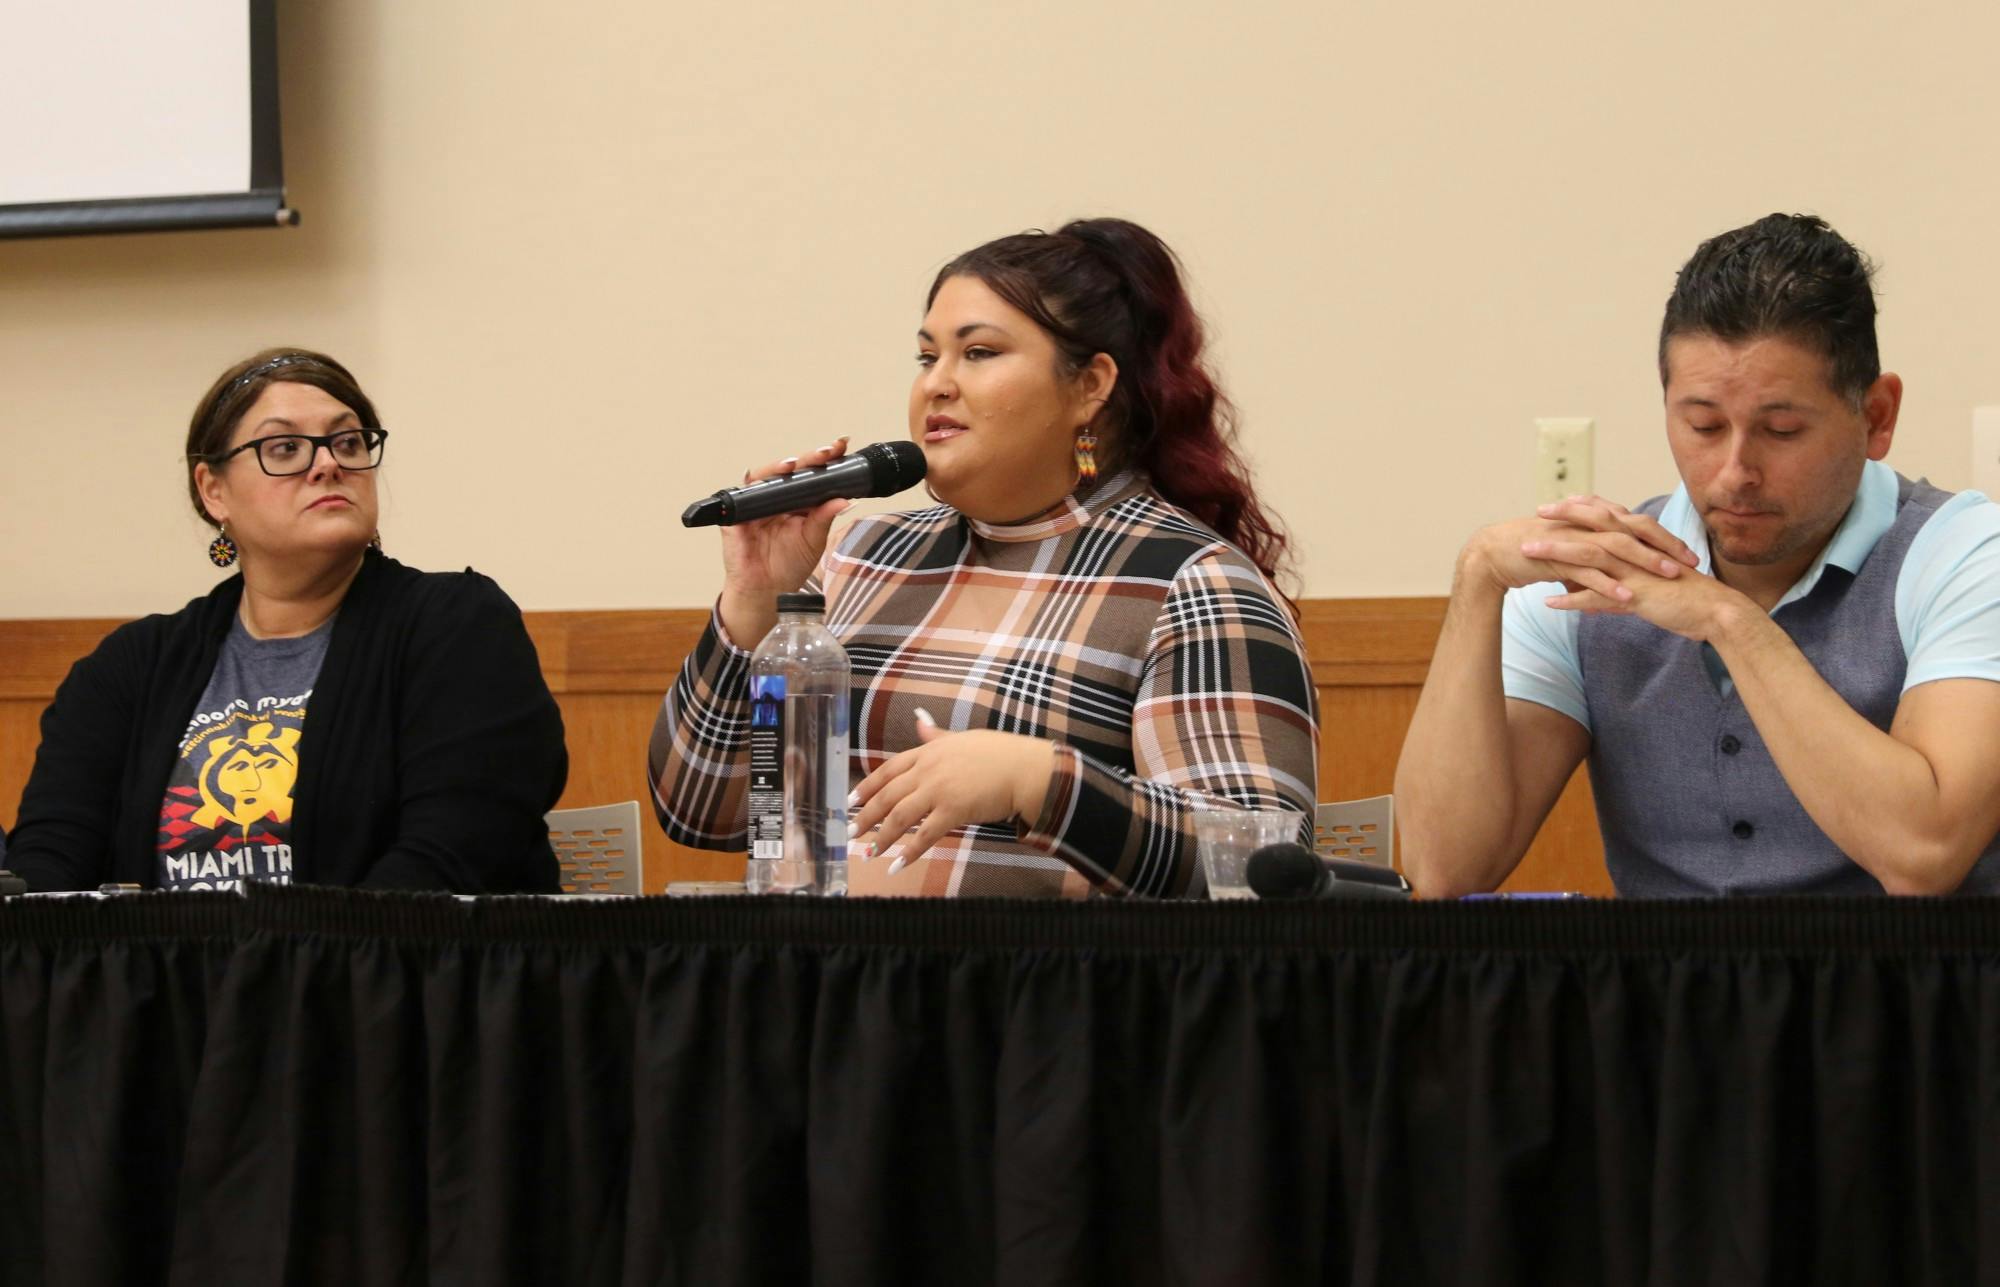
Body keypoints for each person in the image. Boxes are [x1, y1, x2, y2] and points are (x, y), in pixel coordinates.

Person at [650, 218, 1319, 897]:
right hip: (816, 981)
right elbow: (701, 812)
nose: (937, 384)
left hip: (1039, 994)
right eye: (926, 357)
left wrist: (1040, 783)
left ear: (1091, 385)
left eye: (979, 353)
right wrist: (756, 603)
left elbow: (1259, 866)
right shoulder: (861, 555)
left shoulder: (1190, 581)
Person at [1396, 213, 2000, 897]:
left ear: (1877, 416)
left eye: (1781, 429)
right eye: (1703, 425)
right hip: (1662, 997)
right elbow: (1440, 870)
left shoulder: (1964, 554)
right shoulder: (1598, 573)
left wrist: (1731, 621)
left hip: (1905, 997)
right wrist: (1477, 580)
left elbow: (1924, 854)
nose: (1733, 471)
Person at [7, 348, 567, 893]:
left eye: (348, 441)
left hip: (381, 978)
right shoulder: (129, 667)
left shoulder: (458, 626)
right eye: (285, 448)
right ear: (214, 490)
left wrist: (291, 975)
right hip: (158, 983)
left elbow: (454, 857)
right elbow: (50, 875)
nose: (328, 464)